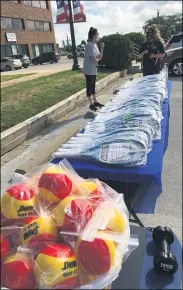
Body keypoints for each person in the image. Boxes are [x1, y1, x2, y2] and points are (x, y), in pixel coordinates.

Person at [83, 27, 105, 111]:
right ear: (92, 35)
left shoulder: (95, 45)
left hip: (93, 70)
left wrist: (102, 48)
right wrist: (97, 60)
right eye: (97, 34)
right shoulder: (89, 45)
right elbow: (95, 60)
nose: (98, 36)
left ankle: (95, 101)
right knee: (89, 86)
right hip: (88, 70)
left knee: (93, 86)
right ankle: (91, 104)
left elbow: (99, 57)